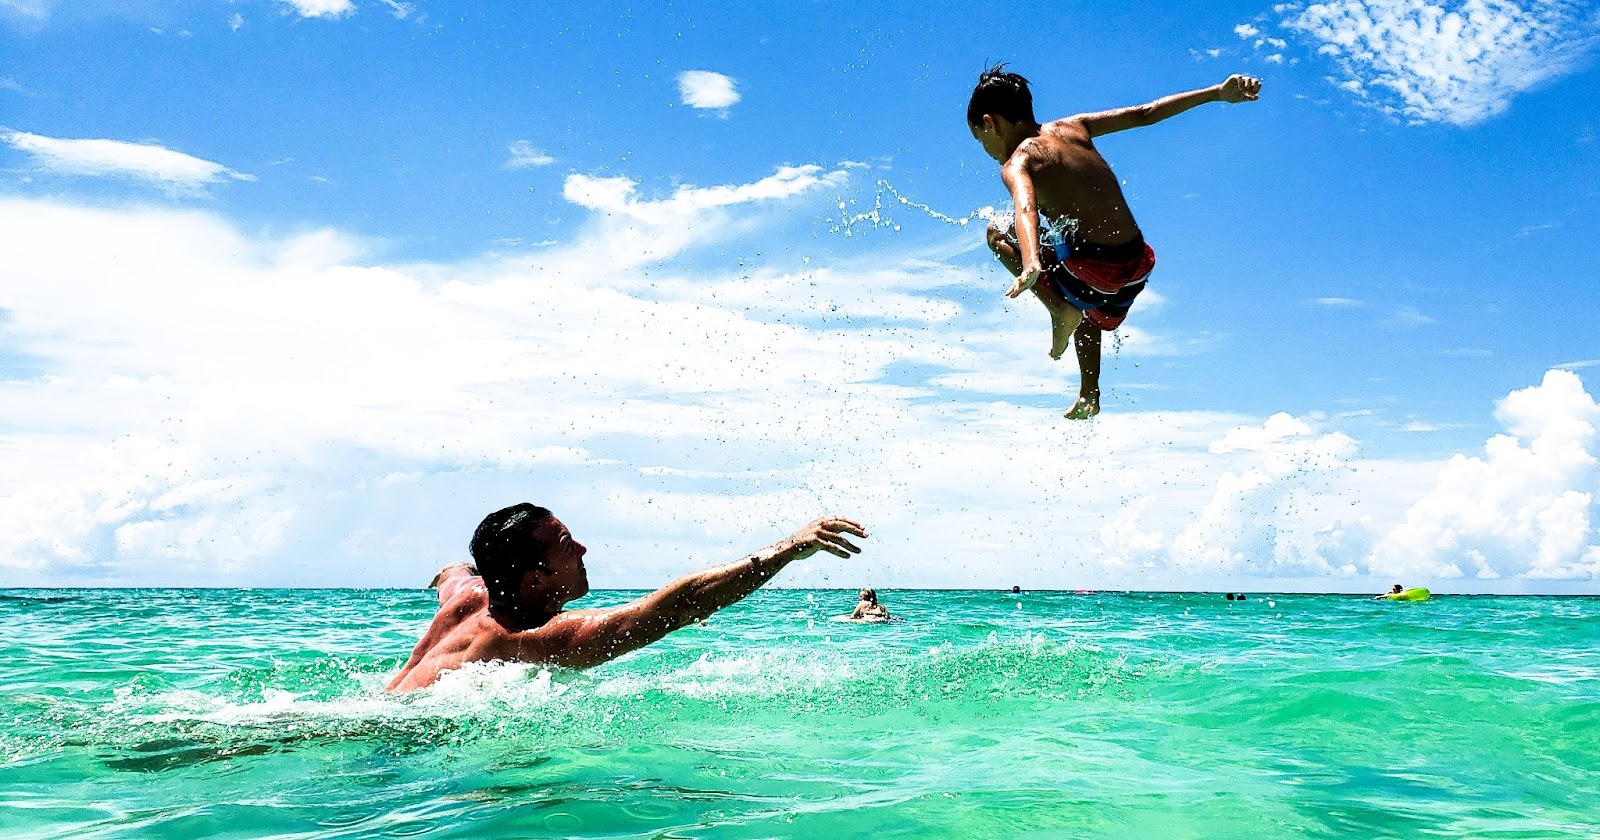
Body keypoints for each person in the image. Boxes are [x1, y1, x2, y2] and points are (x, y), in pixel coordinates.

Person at [968, 65, 1262, 418]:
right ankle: (1089, 394)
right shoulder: (1072, 127)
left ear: (991, 123)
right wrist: (1217, 92)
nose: (985, 148)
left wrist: (1030, 262)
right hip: (1136, 267)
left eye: (980, 138)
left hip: (1094, 268)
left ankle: (1056, 307)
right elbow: (1144, 114)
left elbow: (1026, 208)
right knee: (1085, 308)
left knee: (997, 232)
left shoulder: (1018, 162)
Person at [387, 504, 868, 691]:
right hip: (406, 741)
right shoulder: (530, 639)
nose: (582, 550)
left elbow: (453, 572)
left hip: (385, 704)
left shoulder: (471, 593)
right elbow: (675, 606)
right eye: (566, 546)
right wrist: (789, 549)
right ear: (534, 581)